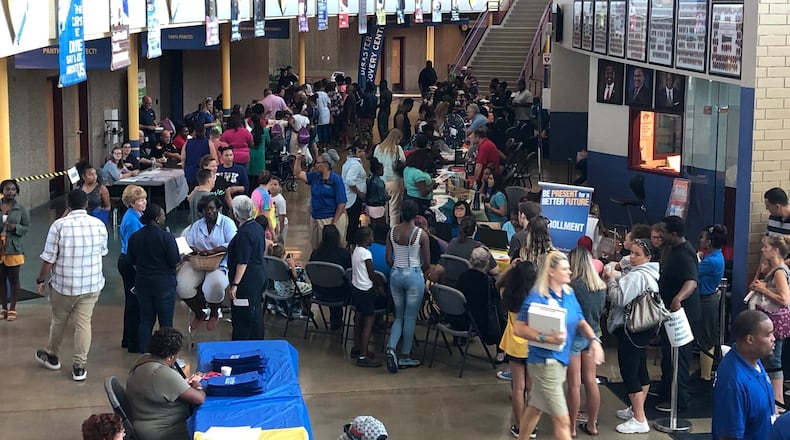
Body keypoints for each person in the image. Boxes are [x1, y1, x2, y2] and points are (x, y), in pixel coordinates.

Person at [512, 251, 605, 440]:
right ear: (551, 272)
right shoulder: (537, 297)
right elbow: (519, 329)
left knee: (535, 409)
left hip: (559, 362)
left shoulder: (568, 294)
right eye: (565, 269)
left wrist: (594, 340)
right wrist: (546, 337)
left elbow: (580, 320)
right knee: (563, 420)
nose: (570, 272)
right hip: (544, 364)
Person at [35, 189, 108, 381]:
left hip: (64, 285)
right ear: (86, 204)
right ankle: (79, 367)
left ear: (68, 204)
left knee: (59, 320)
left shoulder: (59, 226)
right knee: (83, 324)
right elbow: (103, 252)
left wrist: (41, 279)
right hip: (92, 285)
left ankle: (52, 356)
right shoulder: (98, 224)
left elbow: (48, 259)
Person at [603, 238, 660, 434]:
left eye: (637, 254)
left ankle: (639, 418)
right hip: (644, 329)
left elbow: (619, 298)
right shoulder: (650, 273)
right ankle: (637, 409)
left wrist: (610, 279)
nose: (632, 257)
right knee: (640, 368)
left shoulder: (637, 277)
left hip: (632, 330)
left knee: (629, 371)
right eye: (632, 252)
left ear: (648, 257)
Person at [655, 215, 701, 413]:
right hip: (670, 315)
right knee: (668, 354)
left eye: (664, 232)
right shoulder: (674, 250)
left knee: (679, 357)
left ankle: (679, 399)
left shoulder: (684, 254)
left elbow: (691, 280)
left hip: (682, 316)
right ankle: (667, 389)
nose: (661, 234)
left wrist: (678, 299)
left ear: (674, 234)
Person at [126, 328, 205, 440]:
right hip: (166, 432)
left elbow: (161, 387)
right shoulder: (162, 373)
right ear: (172, 355)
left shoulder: (143, 360)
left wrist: (180, 383)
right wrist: (197, 384)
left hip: (144, 424)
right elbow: (199, 399)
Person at [712, 310, 776, 440]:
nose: (773, 339)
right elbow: (729, 436)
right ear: (750, 340)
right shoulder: (733, 382)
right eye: (768, 334)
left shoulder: (753, 358)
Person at [178, 196, 236, 331]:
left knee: (213, 286)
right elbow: (188, 242)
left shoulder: (227, 223)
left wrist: (215, 250)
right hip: (198, 262)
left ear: (218, 208)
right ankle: (199, 313)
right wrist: (195, 250)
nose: (209, 212)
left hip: (219, 263)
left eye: (211, 208)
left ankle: (214, 313)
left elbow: (233, 243)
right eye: (205, 209)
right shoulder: (198, 225)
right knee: (182, 285)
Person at [127, 204, 179, 354]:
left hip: (143, 284)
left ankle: (145, 354)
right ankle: (166, 355)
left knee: (146, 321)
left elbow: (131, 259)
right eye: (163, 215)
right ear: (157, 219)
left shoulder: (135, 237)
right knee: (166, 323)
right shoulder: (166, 237)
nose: (164, 217)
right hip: (164, 285)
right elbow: (173, 260)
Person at [385, 199, 431, 373]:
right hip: (413, 275)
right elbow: (427, 261)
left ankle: (391, 348)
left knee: (398, 316)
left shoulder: (392, 232)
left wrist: (397, 267)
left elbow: (388, 259)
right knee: (410, 317)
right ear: (416, 214)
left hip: (396, 274)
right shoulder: (421, 235)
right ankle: (405, 356)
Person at [566, 247, 606, 436]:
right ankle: (592, 424)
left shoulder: (572, 287)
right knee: (591, 381)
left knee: (574, 384)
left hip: (574, 337)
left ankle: (571, 427)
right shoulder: (600, 287)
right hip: (593, 336)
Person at [749, 234, 790, 410]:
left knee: (774, 361)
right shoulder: (774, 270)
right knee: (770, 359)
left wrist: (763, 289)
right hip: (769, 320)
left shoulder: (780, 272)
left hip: (775, 322)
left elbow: (784, 299)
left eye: (765, 247)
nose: (762, 250)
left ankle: (777, 401)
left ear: (775, 250)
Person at [499, 261, 538, 438]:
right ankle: (531, 427)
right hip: (533, 346)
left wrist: (510, 270)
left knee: (517, 388)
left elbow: (497, 283)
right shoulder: (538, 298)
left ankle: (519, 425)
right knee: (531, 388)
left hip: (514, 345)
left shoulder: (508, 294)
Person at [227, 196, 267, 340]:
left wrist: (235, 285)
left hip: (246, 282)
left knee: (242, 316)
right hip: (259, 275)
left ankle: (241, 344)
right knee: (255, 312)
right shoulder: (257, 227)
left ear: (236, 214)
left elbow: (242, 261)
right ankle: (257, 341)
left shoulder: (244, 234)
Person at [447, 247, 503, 344]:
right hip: (477, 323)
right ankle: (501, 353)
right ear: (487, 263)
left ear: (471, 260)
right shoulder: (487, 282)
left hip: (457, 319)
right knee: (501, 314)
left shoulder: (462, 276)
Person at [295, 148, 348, 249]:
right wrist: (298, 159)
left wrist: (333, 223)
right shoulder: (315, 177)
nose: (315, 165)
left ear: (326, 164)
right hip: (315, 218)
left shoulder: (336, 180)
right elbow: (298, 173)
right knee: (316, 247)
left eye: (318, 163)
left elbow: (341, 203)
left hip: (329, 218)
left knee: (330, 248)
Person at [350, 227, 385, 367]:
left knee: (358, 319)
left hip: (357, 288)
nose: (373, 239)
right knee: (368, 323)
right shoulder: (366, 254)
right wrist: (380, 284)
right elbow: (371, 274)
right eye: (371, 237)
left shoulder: (356, 250)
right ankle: (363, 356)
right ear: (365, 239)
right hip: (366, 290)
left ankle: (357, 348)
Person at [118, 185, 147, 353]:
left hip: (129, 261)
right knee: (135, 304)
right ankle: (133, 342)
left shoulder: (137, 215)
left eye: (144, 199)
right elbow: (133, 248)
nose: (143, 202)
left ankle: (128, 339)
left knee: (132, 302)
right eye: (139, 200)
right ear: (131, 203)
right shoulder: (132, 221)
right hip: (130, 263)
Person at [697, 224, 727, 381]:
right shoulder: (712, 257)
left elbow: (694, 270)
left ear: (708, 242)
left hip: (707, 300)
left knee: (707, 336)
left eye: (702, 238)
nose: (700, 240)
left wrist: (697, 259)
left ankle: (705, 376)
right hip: (706, 298)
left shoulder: (712, 261)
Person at [309, 224, 352, 331]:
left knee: (331, 281)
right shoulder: (344, 254)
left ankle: (336, 320)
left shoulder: (315, 254)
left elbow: (310, 273)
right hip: (339, 294)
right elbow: (350, 274)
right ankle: (337, 321)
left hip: (318, 291)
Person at [0, 179, 30, 321]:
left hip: (14, 247)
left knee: (14, 278)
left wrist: (15, 228)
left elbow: (26, 227)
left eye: (13, 189)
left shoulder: (21, 209)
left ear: (16, 191)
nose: (10, 192)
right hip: (0, 248)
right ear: (2, 191)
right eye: (7, 189)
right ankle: (3, 308)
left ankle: (12, 308)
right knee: (1, 279)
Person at [373, 128, 405, 226]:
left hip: (381, 182)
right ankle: (393, 231)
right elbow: (403, 161)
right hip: (394, 181)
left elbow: (374, 161)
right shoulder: (397, 149)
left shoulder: (378, 148)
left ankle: (383, 229)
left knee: (383, 209)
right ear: (397, 138)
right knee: (394, 209)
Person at [343, 143, 367, 245]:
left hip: (349, 196)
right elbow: (350, 181)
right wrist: (359, 193)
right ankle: (352, 242)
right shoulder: (355, 165)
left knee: (352, 221)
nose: (363, 153)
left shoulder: (347, 163)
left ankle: (350, 242)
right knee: (354, 221)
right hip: (354, 197)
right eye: (360, 151)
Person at [402, 146, 437, 216]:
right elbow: (423, 192)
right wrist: (432, 186)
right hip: (420, 202)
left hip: (409, 196)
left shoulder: (407, 169)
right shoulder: (419, 174)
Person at [182, 124, 217, 189]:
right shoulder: (208, 143)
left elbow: (183, 158)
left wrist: (184, 170)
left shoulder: (187, 142)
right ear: (204, 131)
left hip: (190, 172)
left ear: (194, 131)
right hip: (204, 173)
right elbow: (214, 158)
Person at [763, 187, 790, 267]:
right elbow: (766, 246)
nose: (767, 209)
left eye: (768, 206)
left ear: (777, 206)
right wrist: (757, 276)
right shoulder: (772, 219)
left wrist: (780, 265)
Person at [247, 113, 269, 191]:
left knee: (251, 177)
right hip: (261, 155)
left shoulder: (250, 133)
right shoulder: (265, 131)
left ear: (252, 123)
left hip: (251, 154)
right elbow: (268, 142)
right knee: (261, 176)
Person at [365, 157, 389, 227]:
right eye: (382, 170)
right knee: (380, 224)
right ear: (377, 170)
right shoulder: (380, 182)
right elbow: (382, 197)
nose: (383, 171)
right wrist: (387, 197)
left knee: (372, 224)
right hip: (377, 205)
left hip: (369, 205)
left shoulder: (369, 180)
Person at [269, 176, 289, 244]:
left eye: (275, 185)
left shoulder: (281, 200)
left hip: (280, 224)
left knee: (279, 243)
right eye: (271, 185)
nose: (273, 187)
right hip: (272, 224)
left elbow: (282, 215)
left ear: (280, 186)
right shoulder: (268, 197)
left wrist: (280, 230)